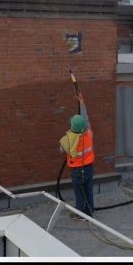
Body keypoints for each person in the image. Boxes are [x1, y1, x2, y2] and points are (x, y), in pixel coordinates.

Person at [58, 93, 94, 221]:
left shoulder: (69, 139)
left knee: (79, 192)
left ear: (72, 127)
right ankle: (89, 212)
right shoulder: (89, 133)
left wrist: (68, 138)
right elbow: (86, 119)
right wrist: (82, 102)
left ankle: (80, 214)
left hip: (77, 171)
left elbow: (61, 149)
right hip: (89, 168)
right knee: (88, 190)